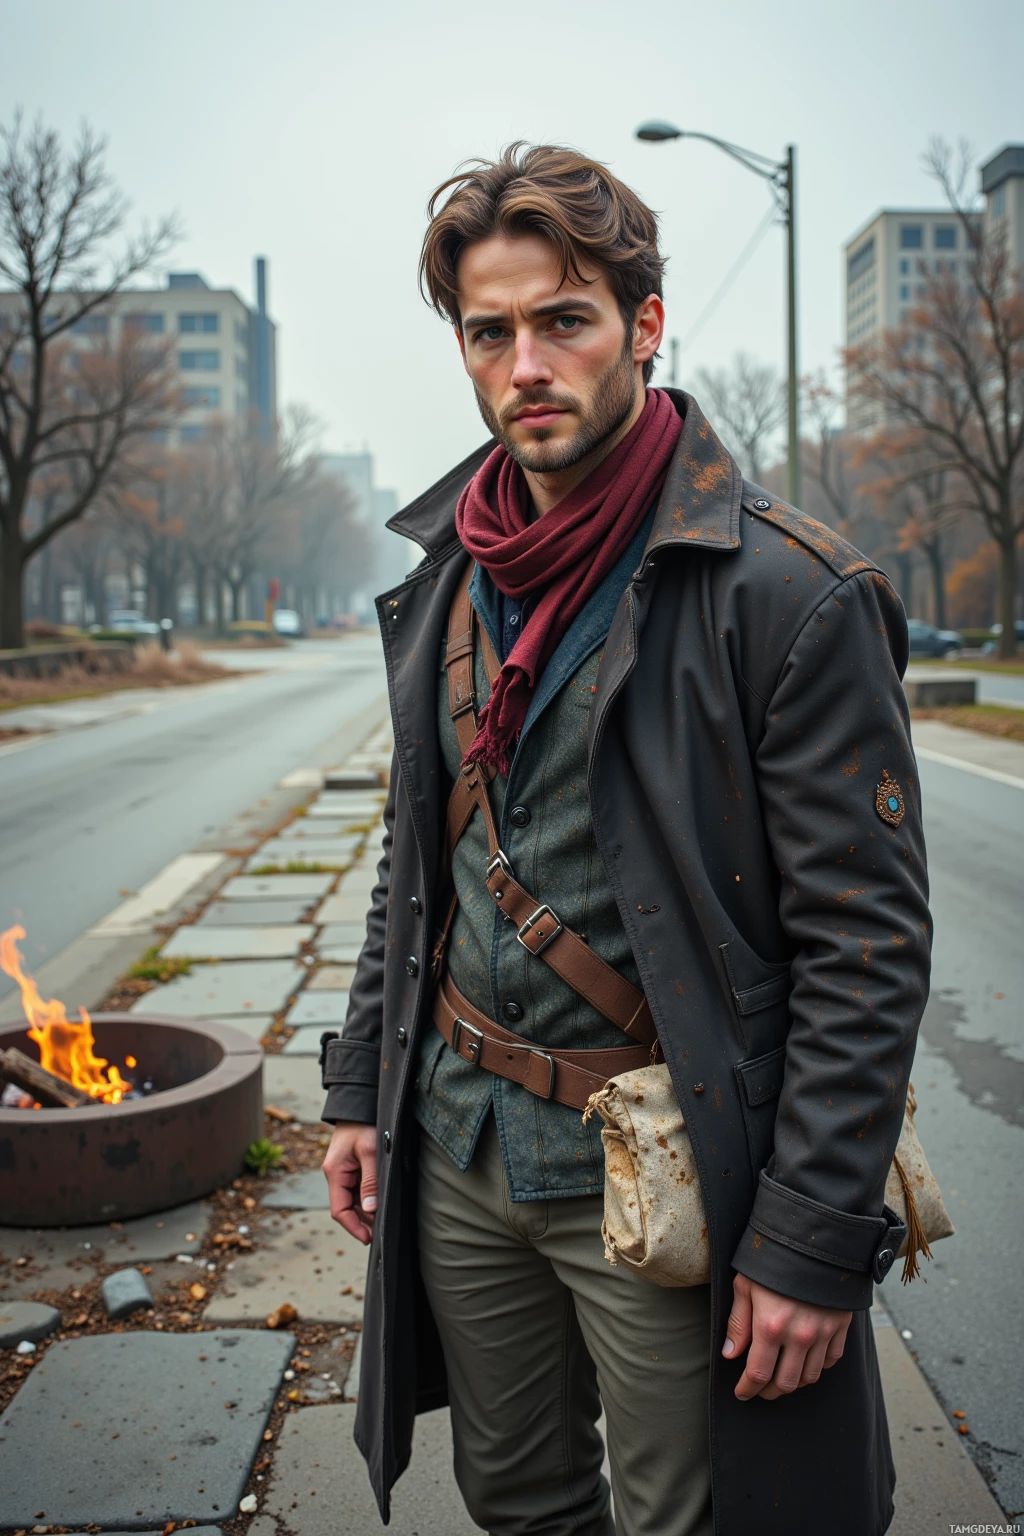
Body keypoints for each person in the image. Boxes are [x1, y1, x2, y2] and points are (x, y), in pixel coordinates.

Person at [321, 143, 931, 1536]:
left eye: (565, 320)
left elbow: (869, 956)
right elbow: (417, 868)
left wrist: (811, 1243)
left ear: (644, 326)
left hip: (668, 1173)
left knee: (692, 1519)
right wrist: (362, 1088)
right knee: (517, 1499)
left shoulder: (791, 595)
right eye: (492, 332)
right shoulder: (449, 580)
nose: (526, 363)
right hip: (465, 1154)